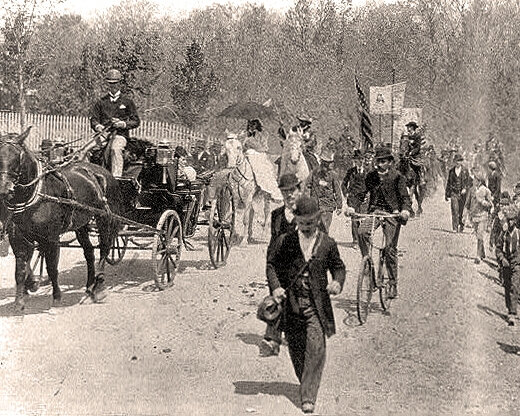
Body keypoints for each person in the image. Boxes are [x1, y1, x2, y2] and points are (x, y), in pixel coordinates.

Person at [266, 195, 345, 414]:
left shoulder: (327, 244)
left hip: (316, 306)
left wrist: (337, 282)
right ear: (297, 221)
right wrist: (276, 287)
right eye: (302, 223)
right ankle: (306, 381)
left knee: (316, 347)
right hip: (292, 305)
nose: (307, 227)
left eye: (310, 223)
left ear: (318, 219)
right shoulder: (287, 241)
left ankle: (308, 395)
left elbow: (339, 267)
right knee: (297, 349)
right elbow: (272, 264)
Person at [352, 146, 411, 299]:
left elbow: (405, 198)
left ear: (390, 162)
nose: (379, 165)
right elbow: (359, 194)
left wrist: (405, 210)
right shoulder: (371, 176)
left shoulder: (398, 177)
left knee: (390, 248)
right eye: (378, 161)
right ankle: (368, 265)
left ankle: (392, 283)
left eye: (383, 161)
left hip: (393, 214)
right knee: (362, 232)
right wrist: (351, 206)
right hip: (375, 212)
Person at [260, 173, 303, 357]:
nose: (289, 195)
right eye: (285, 192)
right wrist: (275, 286)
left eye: (292, 190)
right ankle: (272, 339)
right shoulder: (277, 216)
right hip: (282, 270)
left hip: (303, 273)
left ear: (299, 190)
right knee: (274, 297)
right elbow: (271, 257)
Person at [90, 68, 140, 177]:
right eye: (110, 84)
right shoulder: (101, 102)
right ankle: (86, 174)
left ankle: (116, 177)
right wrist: (98, 126)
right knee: (86, 148)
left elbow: (136, 121)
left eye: (115, 83)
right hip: (103, 134)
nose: (113, 86)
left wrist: (123, 124)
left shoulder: (127, 102)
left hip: (120, 135)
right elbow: (94, 119)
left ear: (120, 84)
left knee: (115, 149)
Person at [495, 206, 520, 326]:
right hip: (506, 263)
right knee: (507, 285)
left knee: (514, 286)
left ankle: (513, 313)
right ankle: (509, 307)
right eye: (508, 220)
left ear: (515, 221)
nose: (510, 222)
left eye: (512, 220)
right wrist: (502, 259)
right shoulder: (503, 234)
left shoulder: (518, 234)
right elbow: (498, 248)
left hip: (517, 263)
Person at [308, 148, 342, 233]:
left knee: (325, 229)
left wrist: (339, 206)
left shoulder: (333, 175)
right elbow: (307, 186)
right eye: (328, 163)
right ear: (323, 163)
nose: (330, 165)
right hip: (315, 206)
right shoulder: (314, 173)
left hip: (327, 206)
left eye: (331, 163)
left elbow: (337, 190)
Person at [465, 170, 493, 263]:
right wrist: (464, 215)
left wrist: (482, 202)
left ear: (479, 181)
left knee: (480, 234)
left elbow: (490, 204)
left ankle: (478, 256)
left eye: (475, 179)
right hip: (474, 216)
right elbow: (467, 203)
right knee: (477, 236)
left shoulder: (486, 190)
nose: (473, 181)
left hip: (483, 216)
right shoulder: (471, 189)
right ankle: (482, 251)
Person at [342, 149, 367, 246]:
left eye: (361, 160)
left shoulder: (368, 171)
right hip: (353, 199)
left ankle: (364, 240)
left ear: (363, 160)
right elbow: (344, 183)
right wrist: (346, 193)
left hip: (364, 200)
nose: (359, 162)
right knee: (355, 220)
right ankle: (356, 241)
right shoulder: (350, 171)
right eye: (357, 160)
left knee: (364, 220)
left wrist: (369, 195)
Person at [445, 153, 472, 233]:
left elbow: (468, 182)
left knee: (461, 210)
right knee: (454, 209)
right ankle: (455, 227)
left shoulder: (465, 170)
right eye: (456, 161)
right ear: (454, 162)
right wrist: (446, 194)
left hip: (463, 194)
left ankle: (461, 225)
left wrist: (465, 188)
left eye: (459, 161)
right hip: (454, 193)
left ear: (461, 162)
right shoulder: (451, 171)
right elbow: (449, 183)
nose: (458, 163)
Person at [404, 121, 425, 185]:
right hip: (407, 154)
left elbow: (418, 147)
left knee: (419, 166)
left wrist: (411, 152)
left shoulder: (417, 136)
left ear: (412, 127)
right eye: (407, 127)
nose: (407, 128)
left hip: (416, 155)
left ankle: (421, 178)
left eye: (408, 127)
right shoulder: (407, 136)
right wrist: (405, 151)